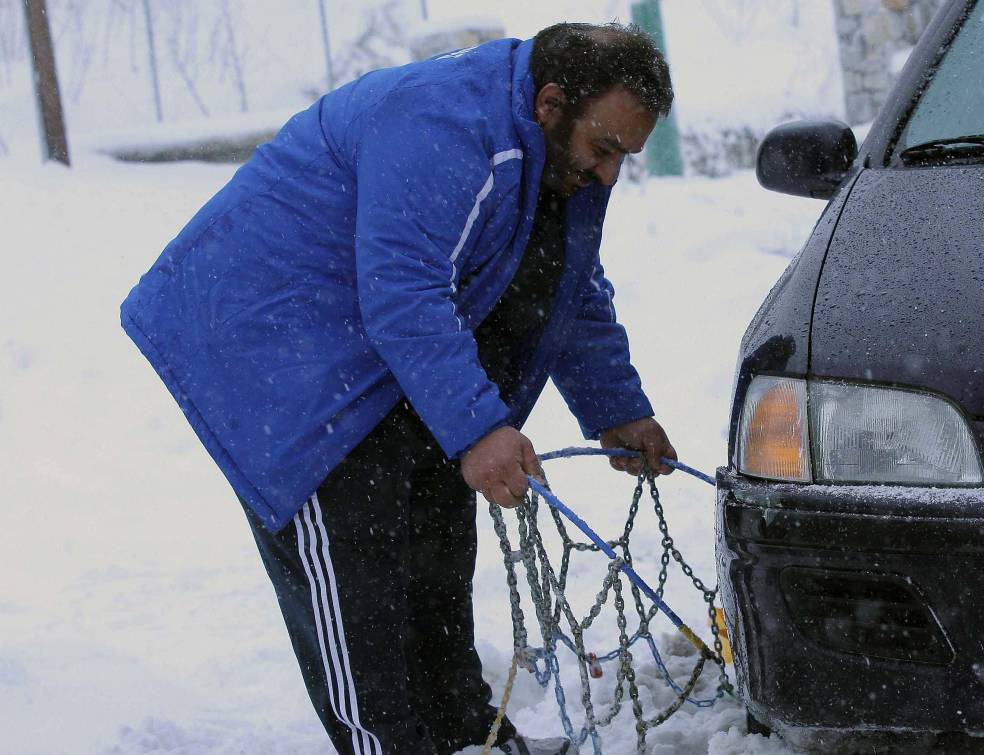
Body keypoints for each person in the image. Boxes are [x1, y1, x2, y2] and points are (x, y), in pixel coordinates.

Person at [120, 22, 677, 755]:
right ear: (550, 103)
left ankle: (462, 737)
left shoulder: (559, 157)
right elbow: (403, 291)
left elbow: (562, 280)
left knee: (433, 551)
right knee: (361, 584)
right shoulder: (444, 125)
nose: (610, 173)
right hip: (273, 345)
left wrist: (618, 408)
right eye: (606, 150)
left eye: (625, 159)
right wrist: (479, 429)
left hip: (373, 339)